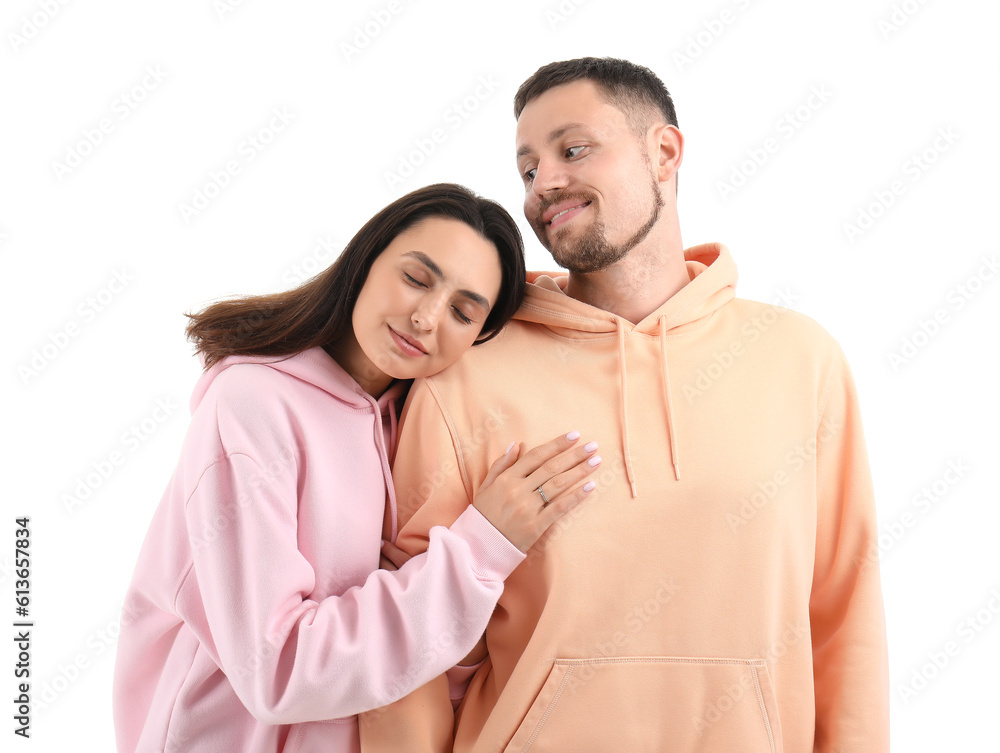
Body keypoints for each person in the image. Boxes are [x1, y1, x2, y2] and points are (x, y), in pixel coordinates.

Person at [363, 59, 890, 752]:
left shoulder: (801, 359)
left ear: (664, 151)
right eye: (527, 169)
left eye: (572, 149)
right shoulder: (468, 370)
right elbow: (406, 643)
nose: (543, 183)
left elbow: (843, 610)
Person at [111, 182, 602, 753]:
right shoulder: (250, 408)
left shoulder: (414, 424)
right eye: (416, 278)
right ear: (365, 261)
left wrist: (431, 587)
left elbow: (428, 663)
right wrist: (478, 551)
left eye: (464, 312)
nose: (425, 318)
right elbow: (280, 670)